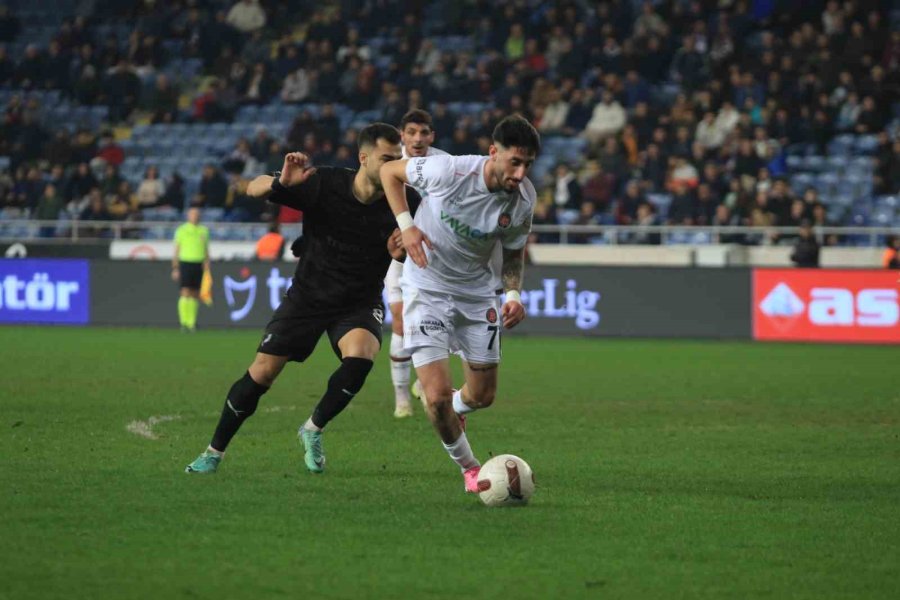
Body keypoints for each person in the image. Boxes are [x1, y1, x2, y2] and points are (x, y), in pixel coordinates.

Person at [185, 123, 419, 475]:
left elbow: (407, 254)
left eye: (397, 159)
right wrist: (282, 182)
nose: (393, 167)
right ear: (363, 157)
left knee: (362, 357)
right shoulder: (324, 183)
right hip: (309, 296)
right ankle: (213, 452)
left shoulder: (406, 200)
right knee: (262, 374)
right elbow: (252, 187)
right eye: (387, 158)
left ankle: (312, 429)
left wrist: (396, 254)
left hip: (358, 299)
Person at [379, 115, 540, 493]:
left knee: (482, 395)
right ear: (493, 152)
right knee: (434, 398)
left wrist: (513, 294)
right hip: (426, 287)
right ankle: (471, 471)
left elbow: (514, 253)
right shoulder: (448, 171)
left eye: (527, 165)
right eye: (514, 162)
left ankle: (458, 408)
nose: (520, 173)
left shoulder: (523, 201)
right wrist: (407, 225)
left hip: (477, 294)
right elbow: (389, 172)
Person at [385, 109, 447, 419]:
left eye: (424, 133)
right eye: (412, 132)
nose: (418, 138)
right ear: (402, 135)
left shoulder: (443, 163)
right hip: (397, 247)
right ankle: (401, 400)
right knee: (399, 320)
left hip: (431, 252)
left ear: (431, 136)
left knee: (435, 322)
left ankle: (425, 380)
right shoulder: (389, 161)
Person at [172, 207, 210, 332]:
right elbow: (176, 250)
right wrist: (175, 268)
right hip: (185, 263)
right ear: (188, 216)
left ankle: (192, 323)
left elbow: (206, 249)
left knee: (195, 293)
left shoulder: (204, 230)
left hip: (198, 263)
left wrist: (207, 264)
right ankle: (183, 322)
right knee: (185, 291)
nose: (195, 216)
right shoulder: (181, 230)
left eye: (197, 214)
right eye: (192, 214)